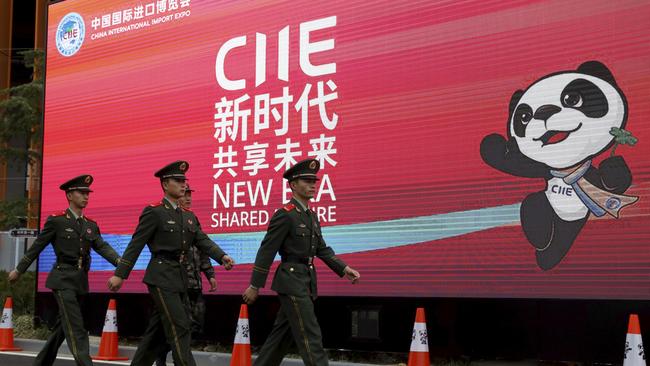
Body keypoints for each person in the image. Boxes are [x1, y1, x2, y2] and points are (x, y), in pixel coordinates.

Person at [107, 160, 234, 366]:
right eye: (178, 180)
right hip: (161, 276)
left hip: (180, 277)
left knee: (156, 333)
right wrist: (120, 274)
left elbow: (202, 240)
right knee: (180, 326)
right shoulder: (154, 212)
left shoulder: (188, 216)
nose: (183, 184)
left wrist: (222, 256)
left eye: (184, 180)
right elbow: (136, 244)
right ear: (165, 184)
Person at [242, 158, 361, 366]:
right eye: (306, 181)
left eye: (314, 181)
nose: (313, 184)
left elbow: (321, 249)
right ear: (293, 185)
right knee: (310, 334)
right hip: (291, 280)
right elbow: (266, 251)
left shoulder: (312, 216)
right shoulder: (285, 215)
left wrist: (343, 268)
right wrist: (255, 285)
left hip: (305, 281)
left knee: (280, 338)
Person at [8, 175, 121, 366]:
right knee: (76, 327)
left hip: (80, 281)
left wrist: (120, 262)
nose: (86, 196)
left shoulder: (90, 224)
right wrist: (19, 269)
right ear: (69, 195)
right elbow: (38, 246)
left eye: (88, 193)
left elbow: (101, 246)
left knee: (63, 326)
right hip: (62, 279)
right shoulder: (57, 221)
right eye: (81, 193)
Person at [155, 184, 217, 366]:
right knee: (179, 325)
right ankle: (175, 358)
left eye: (190, 195)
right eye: (185, 195)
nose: (188, 198)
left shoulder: (192, 219)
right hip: (176, 282)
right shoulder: (168, 219)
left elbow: (203, 248)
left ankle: (171, 353)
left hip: (194, 283)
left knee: (195, 323)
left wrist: (210, 274)